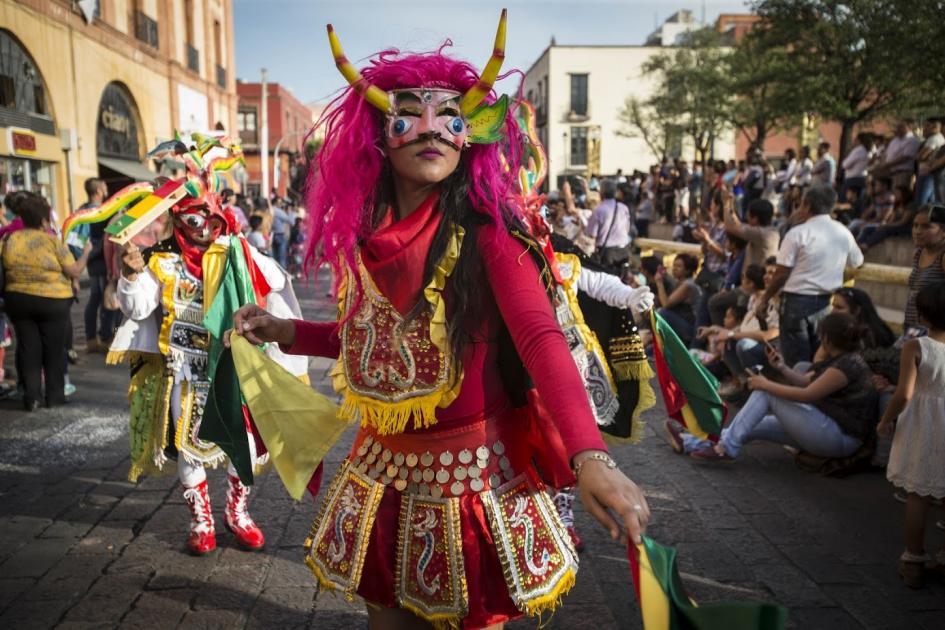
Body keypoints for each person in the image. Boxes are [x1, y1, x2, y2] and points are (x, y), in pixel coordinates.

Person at [228, 14, 650, 629]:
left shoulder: (491, 239)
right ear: (379, 137)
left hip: (473, 481)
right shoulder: (365, 245)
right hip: (382, 473)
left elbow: (540, 339)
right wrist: (285, 330)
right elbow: (372, 341)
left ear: (470, 137)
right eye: (407, 115)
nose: (432, 129)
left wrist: (591, 456)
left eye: (451, 116)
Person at [109, 135, 306, 556]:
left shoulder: (237, 253)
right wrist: (130, 273)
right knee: (189, 446)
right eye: (194, 223)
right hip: (185, 370)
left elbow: (273, 286)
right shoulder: (162, 261)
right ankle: (201, 520)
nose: (203, 232)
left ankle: (238, 513)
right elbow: (140, 307)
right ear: (178, 222)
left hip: (233, 365)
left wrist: (243, 255)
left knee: (246, 446)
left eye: (212, 222)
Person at [684, 313, 877, 462]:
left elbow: (807, 395)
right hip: (826, 428)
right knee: (749, 425)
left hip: (840, 439)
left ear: (826, 339)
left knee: (766, 393)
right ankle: (689, 441)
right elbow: (807, 381)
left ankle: (725, 449)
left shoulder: (847, 365)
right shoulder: (842, 359)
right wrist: (781, 367)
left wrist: (767, 384)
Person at [878, 282, 945, 588]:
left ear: (922, 314)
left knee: (918, 496)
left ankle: (913, 559)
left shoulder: (915, 347)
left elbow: (903, 395)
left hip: (923, 425)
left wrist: (886, 421)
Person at [1, 193, 92, 410]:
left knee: (27, 346)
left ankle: (31, 396)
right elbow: (74, 270)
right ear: (43, 220)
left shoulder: (10, 239)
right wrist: (86, 252)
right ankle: (54, 395)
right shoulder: (52, 240)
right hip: (53, 301)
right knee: (53, 348)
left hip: (19, 298)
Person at [758, 185, 864, 368]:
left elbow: (781, 274)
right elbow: (857, 262)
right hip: (826, 303)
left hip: (796, 304)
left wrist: (765, 298)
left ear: (806, 205)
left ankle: (799, 394)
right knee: (821, 358)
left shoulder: (797, 233)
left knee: (797, 363)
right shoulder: (843, 232)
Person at [78, 178, 119, 353]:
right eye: (105, 185)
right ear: (98, 191)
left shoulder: (81, 210)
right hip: (103, 261)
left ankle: (91, 339)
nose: (107, 187)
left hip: (91, 260)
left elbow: (78, 239)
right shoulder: (103, 211)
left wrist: (84, 256)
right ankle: (106, 336)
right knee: (106, 298)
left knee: (95, 298)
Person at [904, 204, 945, 332]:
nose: (918, 231)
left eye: (926, 226)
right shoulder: (919, 253)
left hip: (933, 333)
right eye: (915, 225)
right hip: (912, 327)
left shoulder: (943, 256)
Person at [655, 253, 702, 346]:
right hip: (683, 321)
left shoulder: (688, 285)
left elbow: (666, 304)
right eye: (674, 265)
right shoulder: (680, 282)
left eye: (679, 266)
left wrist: (659, 283)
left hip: (692, 328)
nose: (674, 268)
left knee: (662, 313)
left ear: (688, 270)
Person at [586, 179, 632, 268]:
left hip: (607, 252)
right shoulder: (623, 208)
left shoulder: (599, 210)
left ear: (601, 193)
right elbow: (627, 228)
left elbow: (592, 235)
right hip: (624, 249)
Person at [873, 120, 920, 191]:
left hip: (903, 172)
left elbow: (905, 157)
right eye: (897, 127)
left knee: (900, 195)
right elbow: (887, 155)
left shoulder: (912, 140)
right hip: (891, 172)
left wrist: (887, 165)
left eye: (901, 127)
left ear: (909, 127)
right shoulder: (895, 140)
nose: (897, 129)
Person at [915, 119, 944, 208]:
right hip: (929, 172)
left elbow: (922, 156)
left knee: (922, 201)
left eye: (929, 126)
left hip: (929, 174)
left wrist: (931, 167)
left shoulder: (935, 138)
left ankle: (922, 220)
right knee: (932, 201)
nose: (925, 128)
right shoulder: (930, 139)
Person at [841, 133, 874, 201]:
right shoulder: (866, 150)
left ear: (858, 140)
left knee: (847, 201)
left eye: (855, 139)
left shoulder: (858, 150)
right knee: (858, 201)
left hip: (853, 179)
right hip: (861, 177)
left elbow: (845, 165)